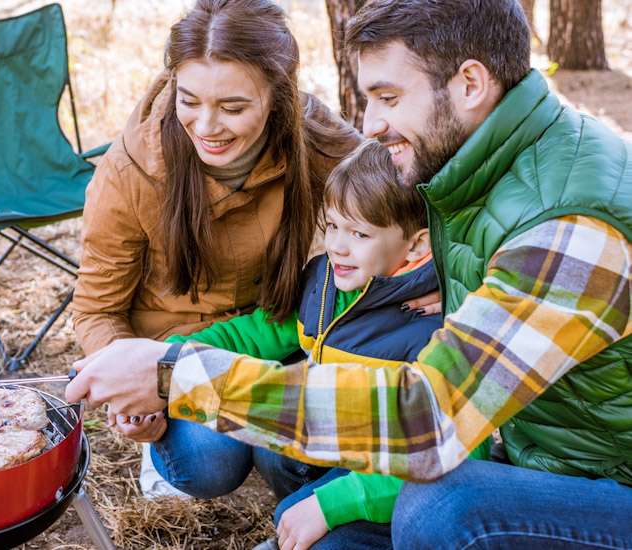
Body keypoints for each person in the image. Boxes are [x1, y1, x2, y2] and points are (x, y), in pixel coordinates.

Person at [67, 0, 632, 548]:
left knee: (440, 507)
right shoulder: (476, 163)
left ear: (470, 84)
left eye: (387, 97)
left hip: (598, 477)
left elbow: (427, 418)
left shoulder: (572, 228)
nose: (372, 124)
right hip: (523, 446)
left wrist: (176, 374)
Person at [71, 0, 361, 501]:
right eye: (189, 100)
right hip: (173, 352)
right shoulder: (133, 169)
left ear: (278, 96)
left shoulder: (311, 134)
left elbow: (395, 193)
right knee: (210, 461)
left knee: (289, 447)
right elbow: (97, 310)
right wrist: (137, 387)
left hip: (274, 332)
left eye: (232, 107)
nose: (206, 126)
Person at [161, 139, 490, 549]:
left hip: (395, 472)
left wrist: (334, 504)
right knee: (273, 453)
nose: (337, 245)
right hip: (340, 443)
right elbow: (254, 334)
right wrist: (167, 357)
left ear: (418, 244)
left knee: (304, 519)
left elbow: (453, 456)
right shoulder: (326, 283)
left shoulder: (433, 324)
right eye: (332, 226)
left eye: (359, 232)